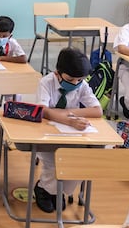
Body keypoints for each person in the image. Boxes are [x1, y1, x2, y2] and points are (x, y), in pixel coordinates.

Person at [33, 47, 102, 213]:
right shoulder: (46, 83)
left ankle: (58, 191)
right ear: (58, 73)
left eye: (79, 80)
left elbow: (97, 110)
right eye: (70, 79)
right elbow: (43, 111)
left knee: (78, 165)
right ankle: (43, 189)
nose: (75, 84)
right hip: (46, 136)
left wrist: (67, 113)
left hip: (72, 137)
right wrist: (68, 120)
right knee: (55, 166)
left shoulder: (82, 85)